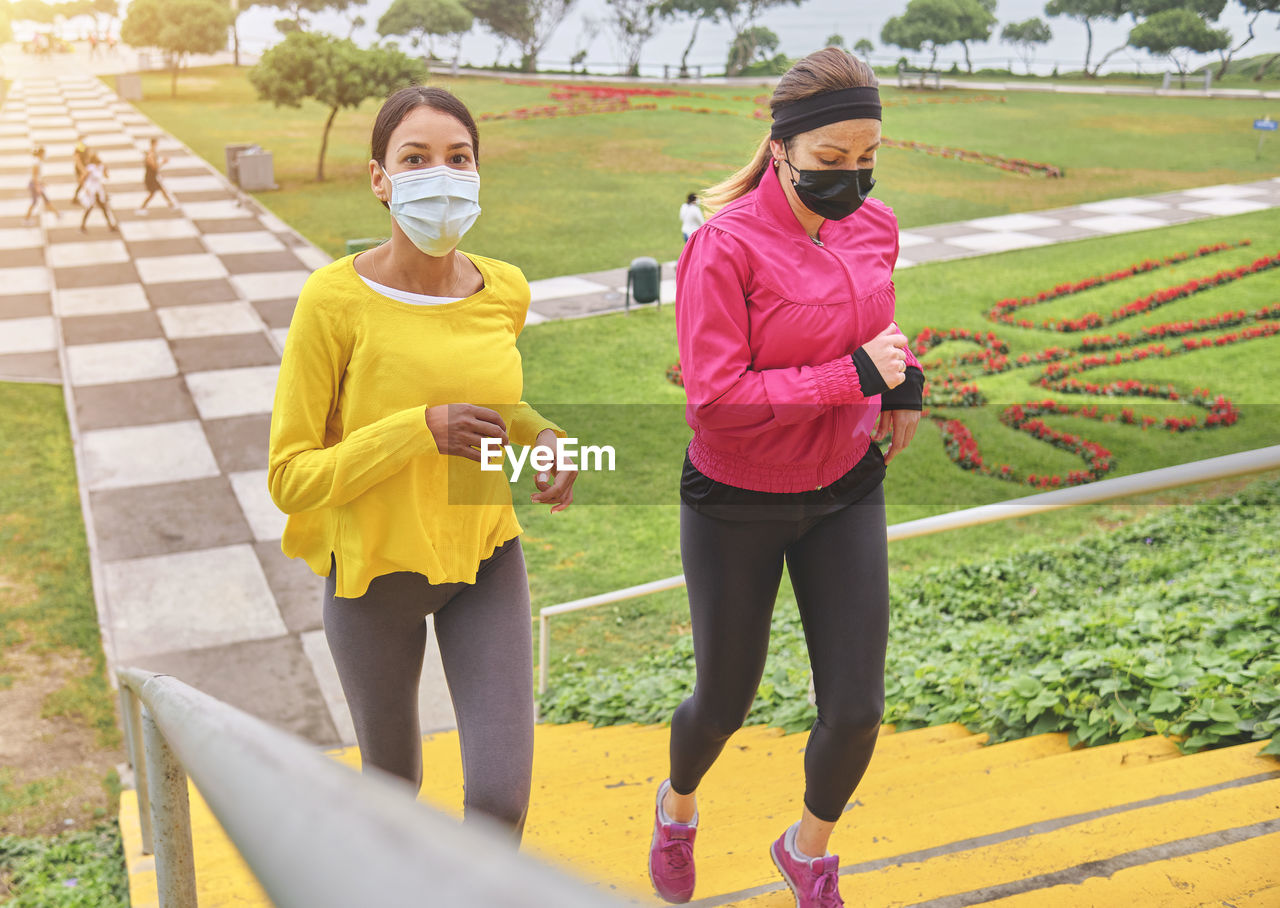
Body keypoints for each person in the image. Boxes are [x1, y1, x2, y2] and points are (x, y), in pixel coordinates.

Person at [648, 47, 923, 907]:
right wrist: (854, 377)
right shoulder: (723, 250)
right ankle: (678, 805)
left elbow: (877, 321)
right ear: (782, 149)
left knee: (857, 710)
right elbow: (715, 400)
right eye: (832, 161)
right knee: (722, 706)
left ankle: (808, 852)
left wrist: (903, 380)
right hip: (737, 501)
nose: (854, 176)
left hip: (845, 486)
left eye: (868, 155)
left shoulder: (874, 226)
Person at [267, 85, 577, 841]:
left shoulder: (504, 288)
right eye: (415, 158)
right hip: (375, 581)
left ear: (476, 171)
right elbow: (290, 476)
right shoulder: (332, 301)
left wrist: (542, 435)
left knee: (500, 804)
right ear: (380, 178)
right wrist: (416, 430)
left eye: (457, 157)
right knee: (392, 785)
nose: (440, 172)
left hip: (486, 556)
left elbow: (493, 404)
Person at [75, 152, 117, 232]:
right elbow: (81, 179)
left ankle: (110, 225)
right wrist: (85, 189)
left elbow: (106, 177)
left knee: (103, 207)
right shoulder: (90, 168)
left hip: (98, 189)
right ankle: (83, 225)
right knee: (90, 208)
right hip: (91, 189)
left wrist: (106, 170)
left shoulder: (101, 167)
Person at [138, 136, 176, 213]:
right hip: (150, 178)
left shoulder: (152, 153)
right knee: (153, 193)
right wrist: (163, 162)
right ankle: (142, 207)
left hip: (152, 177)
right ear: (154, 144)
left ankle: (171, 204)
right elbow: (155, 167)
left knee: (161, 191)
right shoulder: (150, 155)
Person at [24, 147, 59, 224]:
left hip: (36, 185)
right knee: (35, 202)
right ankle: (26, 219)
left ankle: (57, 214)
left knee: (43, 201)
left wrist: (42, 183)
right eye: (44, 154)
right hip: (34, 185)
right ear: (41, 154)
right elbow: (34, 176)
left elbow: (37, 176)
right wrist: (37, 187)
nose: (45, 155)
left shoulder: (38, 162)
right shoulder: (36, 163)